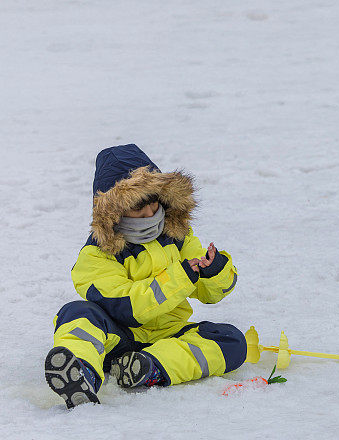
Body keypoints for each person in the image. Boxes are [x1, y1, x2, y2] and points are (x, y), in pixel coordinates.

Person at [45, 144, 246, 408]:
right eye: (137, 209)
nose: (150, 214)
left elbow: (212, 294)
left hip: (169, 335)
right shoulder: (96, 255)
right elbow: (129, 307)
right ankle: (82, 372)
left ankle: (151, 368)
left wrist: (214, 269)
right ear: (114, 212)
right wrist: (182, 276)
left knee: (231, 340)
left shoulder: (178, 235)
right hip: (117, 338)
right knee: (77, 313)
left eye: (153, 203)